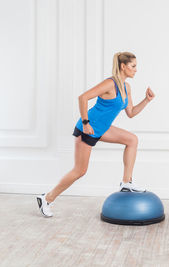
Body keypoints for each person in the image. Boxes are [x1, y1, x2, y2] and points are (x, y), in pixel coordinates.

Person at [36, 51, 156, 217]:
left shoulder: (126, 88)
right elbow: (83, 98)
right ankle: (47, 198)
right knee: (80, 171)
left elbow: (131, 112)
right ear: (123, 66)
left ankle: (126, 182)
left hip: (103, 128)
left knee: (132, 140)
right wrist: (85, 123)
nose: (136, 70)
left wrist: (147, 100)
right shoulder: (110, 84)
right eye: (133, 66)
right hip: (88, 129)